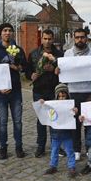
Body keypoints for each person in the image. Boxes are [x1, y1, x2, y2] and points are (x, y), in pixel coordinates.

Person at [0, 23, 27, 160]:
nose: (7, 33)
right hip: (0, 92)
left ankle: (19, 147)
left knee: (18, 121)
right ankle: (3, 148)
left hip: (15, 91)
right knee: (3, 122)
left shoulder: (18, 49)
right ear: (0, 33)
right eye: (5, 31)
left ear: (12, 33)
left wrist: (17, 67)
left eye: (10, 30)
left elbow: (25, 68)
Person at [61, 28, 91, 161]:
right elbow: (64, 72)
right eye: (77, 37)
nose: (80, 39)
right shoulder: (68, 54)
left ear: (87, 38)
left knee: (89, 122)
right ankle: (76, 149)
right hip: (73, 91)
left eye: (82, 37)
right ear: (74, 38)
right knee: (75, 123)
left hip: (89, 91)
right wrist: (59, 71)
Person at [26, 29, 64, 158]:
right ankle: (41, 146)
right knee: (41, 120)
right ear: (41, 39)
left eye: (50, 39)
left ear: (53, 39)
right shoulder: (33, 54)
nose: (47, 41)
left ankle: (56, 146)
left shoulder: (59, 54)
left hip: (53, 90)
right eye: (45, 39)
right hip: (39, 91)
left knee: (54, 119)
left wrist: (54, 69)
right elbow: (27, 71)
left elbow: (64, 71)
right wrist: (31, 75)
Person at [43, 83, 77, 178]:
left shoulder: (70, 105)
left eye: (64, 96)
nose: (62, 98)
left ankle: (72, 166)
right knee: (54, 150)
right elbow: (46, 111)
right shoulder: (53, 106)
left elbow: (75, 116)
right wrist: (43, 103)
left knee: (70, 150)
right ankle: (53, 166)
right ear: (56, 96)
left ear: (67, 95)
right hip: (55, 134)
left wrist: (75, 111)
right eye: (60, 96)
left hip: (67, 133)